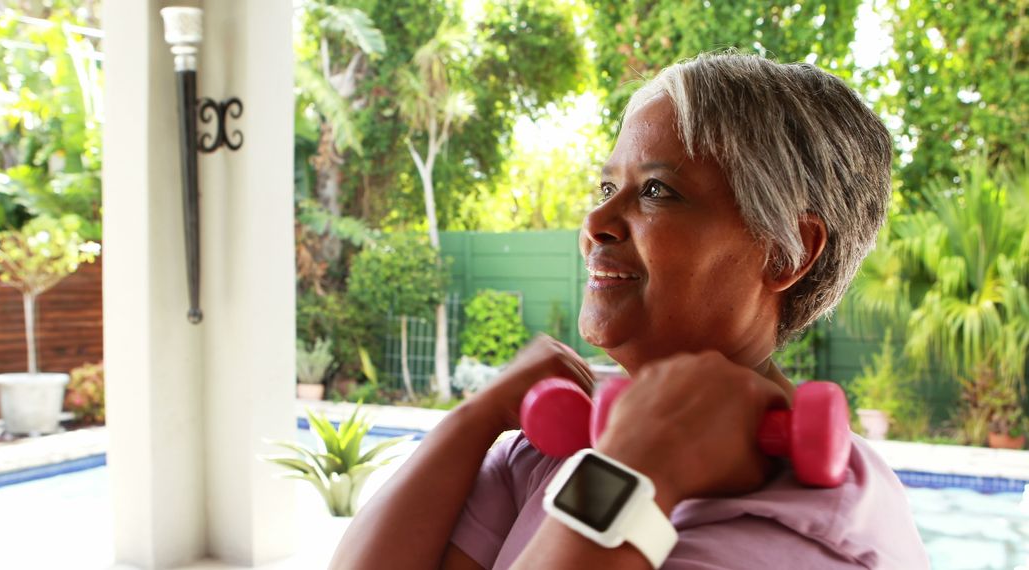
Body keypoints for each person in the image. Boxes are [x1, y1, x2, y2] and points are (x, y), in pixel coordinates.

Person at [330, 52, 929, 569]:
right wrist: (477, 418)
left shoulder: (810, 529)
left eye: (655, 192)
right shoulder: (552, 446)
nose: (594, 225)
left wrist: (636, 466)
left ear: (785, 251)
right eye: (605, 189)